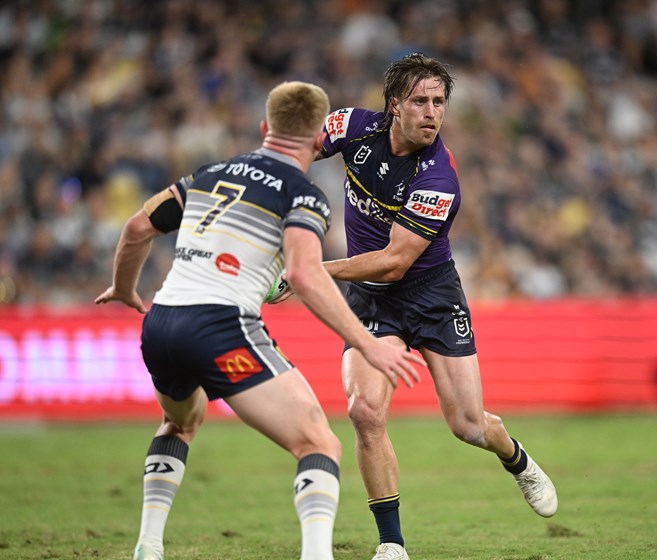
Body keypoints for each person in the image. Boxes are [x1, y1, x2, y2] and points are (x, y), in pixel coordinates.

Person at [94, 81, 425, 560]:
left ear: (265, 128)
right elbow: (305, 276)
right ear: (318, 141)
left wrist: (125, 288)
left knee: (179, 422)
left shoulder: (209, 174)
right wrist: (367, 343)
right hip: (221, 328)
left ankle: (149, 542)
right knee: (319, 443)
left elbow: (137, 227)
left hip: (162, 324)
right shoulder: (304, 195)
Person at [314, 53, 557, 560]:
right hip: (371, 300)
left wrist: (313, 269)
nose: (432, 113)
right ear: (394, 105)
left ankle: (517, 460)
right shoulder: (351, 128)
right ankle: (392, 544)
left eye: (440, 102)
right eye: (421, 101)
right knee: (364, 411)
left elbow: (393, 263)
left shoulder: (438, 178)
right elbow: (295, 150)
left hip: (429, 294)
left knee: (468, 426)